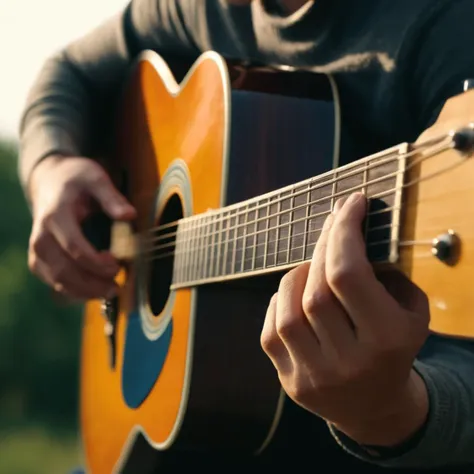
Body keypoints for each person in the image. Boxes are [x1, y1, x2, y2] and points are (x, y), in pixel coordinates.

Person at [18, 0, 474, 472]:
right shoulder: (193, 10)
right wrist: (50, 166)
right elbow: (70, 71)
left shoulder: (447, 30)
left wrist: (391, 414)